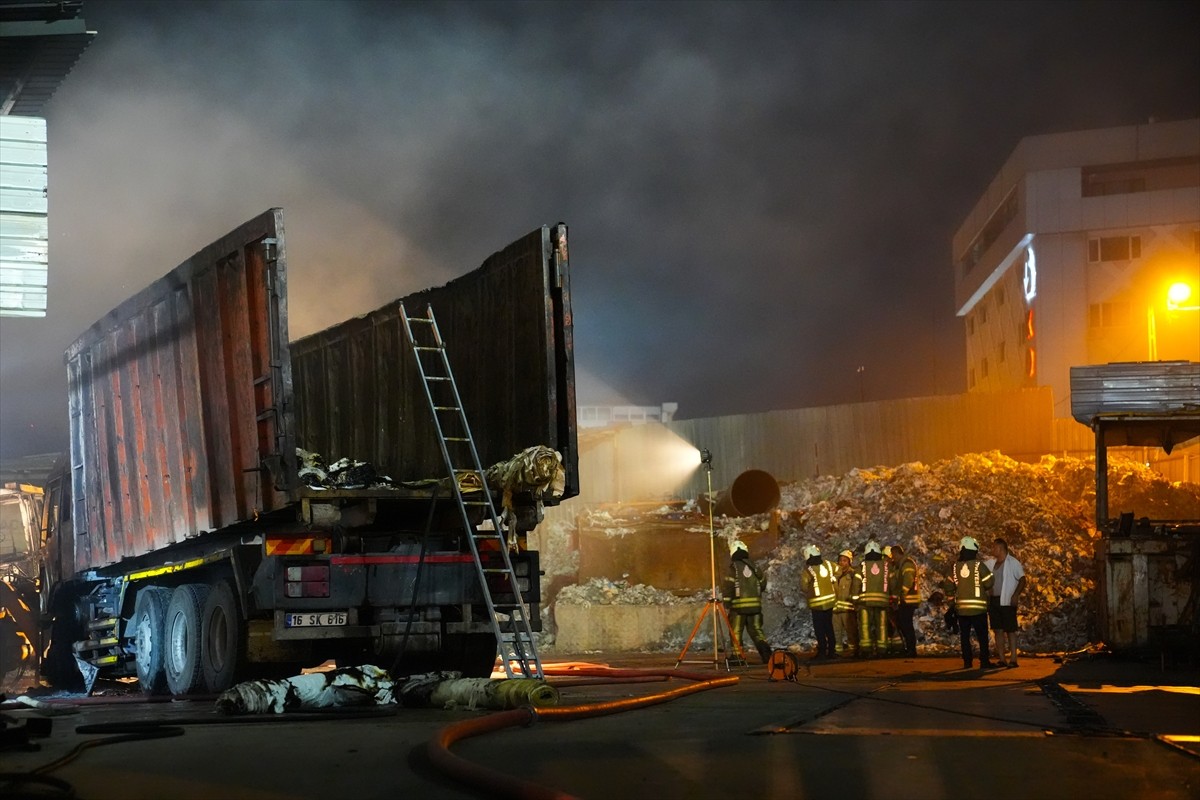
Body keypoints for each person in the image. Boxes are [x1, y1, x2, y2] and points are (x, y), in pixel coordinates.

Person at [942, 535, 995, 671]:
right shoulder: (978, 565)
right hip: (978, 609)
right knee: (982, 636)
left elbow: (948, 585)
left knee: (964, 636)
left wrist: (951, 601)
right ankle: (984, 661)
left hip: (962, 610)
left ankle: (967, 662)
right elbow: (989, 582)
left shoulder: (955, 567)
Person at [723, 539, 772, 663]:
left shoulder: (733, 568)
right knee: (756, 630)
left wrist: (727, 603)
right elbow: (763, 583)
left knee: (736, 631)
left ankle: (737, 657)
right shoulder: (755, 567)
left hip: (738, 608)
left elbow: (728, 586)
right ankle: (766, 653)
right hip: (755, 607)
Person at [985, 536, 1027, 667]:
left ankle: (1013, 659)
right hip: (994, 601)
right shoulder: (991, 563)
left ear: (1000, 548)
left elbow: (1022, 579)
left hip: (1007, 601)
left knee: (1010, 630)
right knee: (998, 630)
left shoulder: (1012, 563)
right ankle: (1002, 659)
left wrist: (1015, 595)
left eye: (994, 547)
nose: (992, 549)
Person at [853, 540, 890, 657]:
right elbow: (892, 581)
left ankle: (866, 649)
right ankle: (882, 649)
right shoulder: (886, 566)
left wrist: (854, 598)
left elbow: (856, 583)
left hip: (865, 602)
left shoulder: (862, 566)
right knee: (882, 626)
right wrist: (894, 596)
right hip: (882, 602)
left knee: (865, 626)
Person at [801, 545, 838, 660]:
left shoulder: (808, 570)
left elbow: (804, 586)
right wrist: (833, 579)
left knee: (819, 629)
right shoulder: (828, 564)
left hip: (817, 605)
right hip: (830, 602)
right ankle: (832, 651)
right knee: (829, 627)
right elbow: (839, 570)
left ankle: (822, 652)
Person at [888, 544, 920, 657]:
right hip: (906, 600)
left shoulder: (907, 564)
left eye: (893, 555)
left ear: (897, 553)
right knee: (904, 624)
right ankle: (910, 649)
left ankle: (911, 650)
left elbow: (908, 581)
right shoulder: (902, 565)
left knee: (906, 625)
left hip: (908, 600)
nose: (893, 558)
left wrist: (902, 593)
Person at [833, 549, 858, 656]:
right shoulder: (834, 575)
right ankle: (838, 651)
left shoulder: (853, 574)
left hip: (848, 609)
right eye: (840, 560)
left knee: (851, 631)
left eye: (844, 560)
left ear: (849, 562)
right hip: (835, 609)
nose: (841, 563)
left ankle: (853, 650)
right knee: (836, 632)